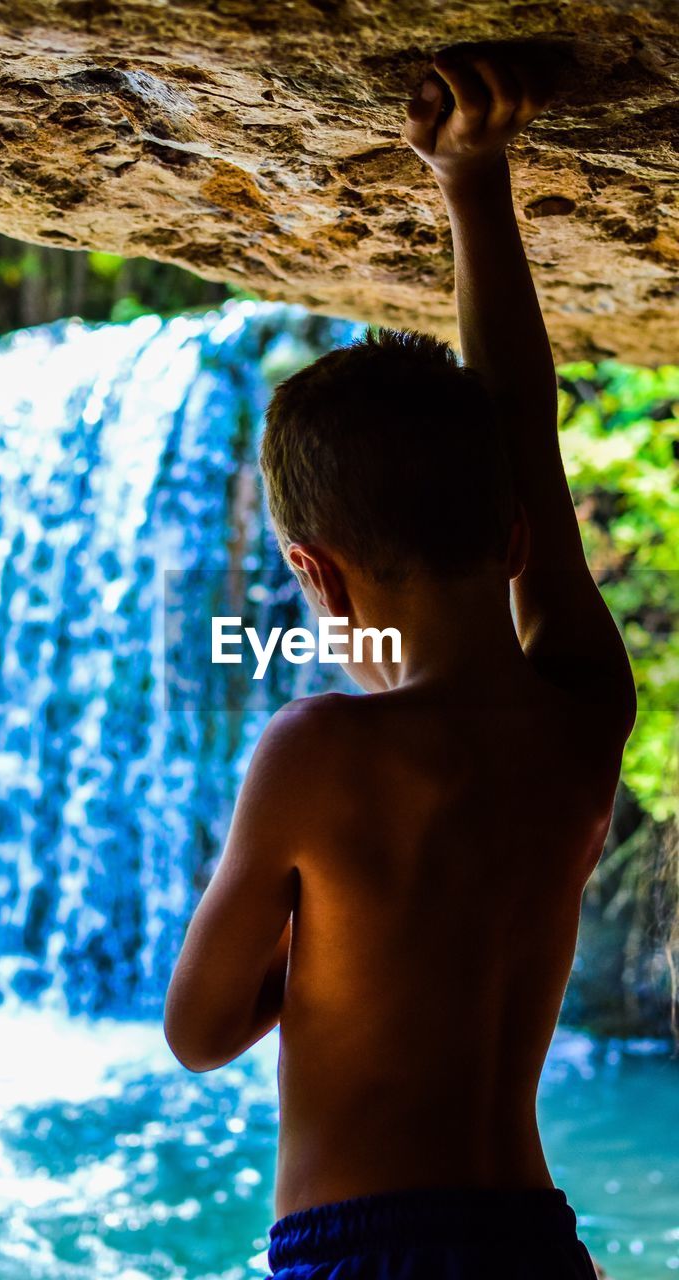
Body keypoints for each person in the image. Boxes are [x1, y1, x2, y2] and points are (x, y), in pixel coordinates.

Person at [163, 43, 636, 1279]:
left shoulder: (316, 746)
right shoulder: (581, 713)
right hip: (533, 1244)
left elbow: (201, 1029)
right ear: (518, 536)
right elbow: (520, 428)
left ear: (312, 573)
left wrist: (321, 938)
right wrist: (476, 187)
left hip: (360, 1248)